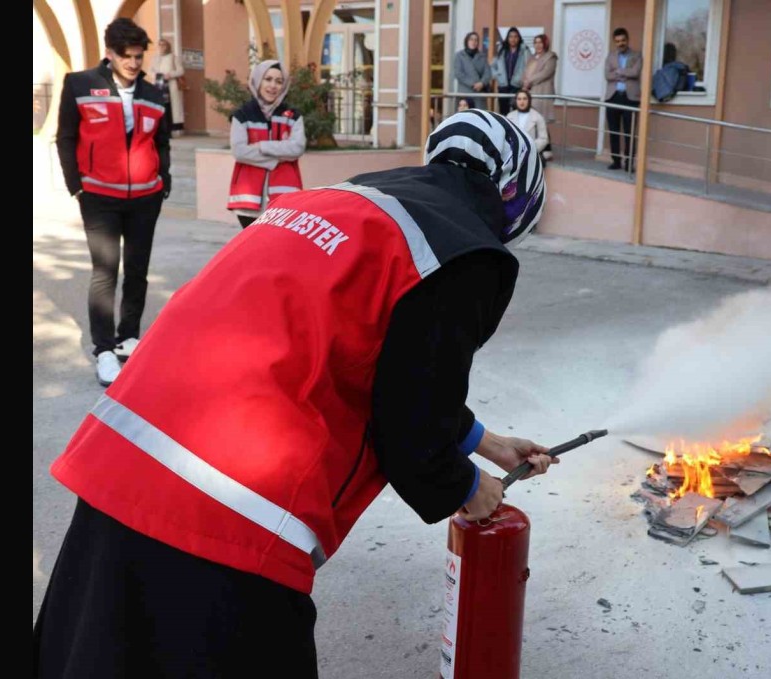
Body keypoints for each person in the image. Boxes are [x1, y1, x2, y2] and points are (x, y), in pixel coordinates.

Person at [32, 109, 550, 677]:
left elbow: (384, 359)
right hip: (232, 503)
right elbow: (412, 423)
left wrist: (487, 442)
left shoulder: (339, 200)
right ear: (516, 193)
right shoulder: (465, 252)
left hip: (122, 457)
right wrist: (468, 486)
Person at [56, 17, 171, 387]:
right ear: (109, 53)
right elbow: (66, 137)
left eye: (139, 56)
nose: (134, 63)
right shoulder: (80, 84)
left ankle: (128, 338)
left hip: (145, 198)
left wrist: (163, 181)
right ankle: (104, 350)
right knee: (105, 272)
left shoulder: (154, 94)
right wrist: (77, 186)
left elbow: (162, 142)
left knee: (137, 271)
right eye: (127, 56)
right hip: (99, 197)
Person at [227, 60, 307, 229]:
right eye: (268, 79)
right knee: (255, 250)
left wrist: (263, 146)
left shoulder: (292, 115)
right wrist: (276, 160)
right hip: (249, 200)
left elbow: (297, 148)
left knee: (280, 249)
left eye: (279, 81)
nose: (273, 86)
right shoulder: (242, 115)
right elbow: (240, 151)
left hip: (284, 197)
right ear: (258, 81)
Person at [603, 27, 642, 171]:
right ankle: (616, 161)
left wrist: (618, 72)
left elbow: (635, 72)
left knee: (629, 132)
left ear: (627, 40)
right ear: (615, 42)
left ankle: (629, 163)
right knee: (613, 131)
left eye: (623, 40)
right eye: (618, 41)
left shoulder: (637, 55)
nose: (621, 43)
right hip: (613, 97)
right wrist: (626, 73)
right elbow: (607, 75)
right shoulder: (610, 56)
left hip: (630, 98)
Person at [151, 38, 186, 136]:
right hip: (158, 86)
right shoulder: (155, 58)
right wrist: (156, 75)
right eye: (160, 45)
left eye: (164, 45)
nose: (162, 47)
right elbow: (150, 70)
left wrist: (170, 74)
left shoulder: (174, 57)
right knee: (159, 108)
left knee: (168, 108)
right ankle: (160, 131)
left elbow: (181, 71)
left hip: (170, 87)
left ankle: (168, 131)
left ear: (168, 46)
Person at [492, 27, 530, 117]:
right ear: (507, 38)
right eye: (511, 37)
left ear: (519, 38)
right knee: (503, 112)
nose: (513, 39)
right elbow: (492, 67)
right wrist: (498, 76)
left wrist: (523, 79)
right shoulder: (501, 50)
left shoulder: (524, 50)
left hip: (517, 86)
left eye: (515, 36)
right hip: (503, 85)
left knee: (517, 112)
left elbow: (529, 66)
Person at [509, 90, 551, 165]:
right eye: (519, 99)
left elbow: (544, 138)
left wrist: (530, 149)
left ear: (529, 100)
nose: (522, 101)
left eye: (525, 99)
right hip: (513, 153)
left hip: (531, 154)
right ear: (516, 101)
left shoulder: (537, 116)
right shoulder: (510, 116)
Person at [522, 33, 557, 122]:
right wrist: (524, 82)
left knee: (542, 122)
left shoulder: (551, 57)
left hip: (543, 92)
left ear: (545, 44)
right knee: (531, 122)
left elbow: (545, 73)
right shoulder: (532, 58)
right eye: (536, 43)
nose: (538, 45)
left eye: (540, 42)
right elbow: (525, 72)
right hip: (530, 93)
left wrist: (529, 81)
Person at [454, 32, 490, 110]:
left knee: (479, 117)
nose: (473, 42)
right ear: (467, 41)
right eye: (471, 39)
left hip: (479, 94)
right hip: (465, 93)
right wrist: (473, 84)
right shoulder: (459, 56)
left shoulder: (482, 56)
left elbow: (487, 73)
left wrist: (482, 83)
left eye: (476, 40)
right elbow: (458, 73)